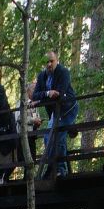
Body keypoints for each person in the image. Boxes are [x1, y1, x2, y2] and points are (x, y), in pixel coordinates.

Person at [30, 50, 78, 178]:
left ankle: (60, 169)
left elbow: (59, 94)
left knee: (58, 136)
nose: (49, 64)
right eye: (47, 62)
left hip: (68, 108)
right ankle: (54, 167)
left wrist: (42, 98)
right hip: (55, 112)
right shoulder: (42, 76)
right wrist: (47, 93)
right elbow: (35, 95)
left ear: (57, 61)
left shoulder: (63, 72)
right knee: (48, 137)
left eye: (52, 61)